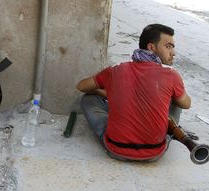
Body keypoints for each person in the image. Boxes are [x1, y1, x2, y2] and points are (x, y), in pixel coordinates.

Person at [76, 23, 191, 162]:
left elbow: (81, 86)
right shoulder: (172, 75)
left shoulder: (115, 70)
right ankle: (170, 130)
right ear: (151, 47)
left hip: (116, 149)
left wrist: (108, 92)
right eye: (168, 46)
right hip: (154, 152)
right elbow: (186, 104)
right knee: (178, 98)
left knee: (88, 99)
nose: (173, 52)